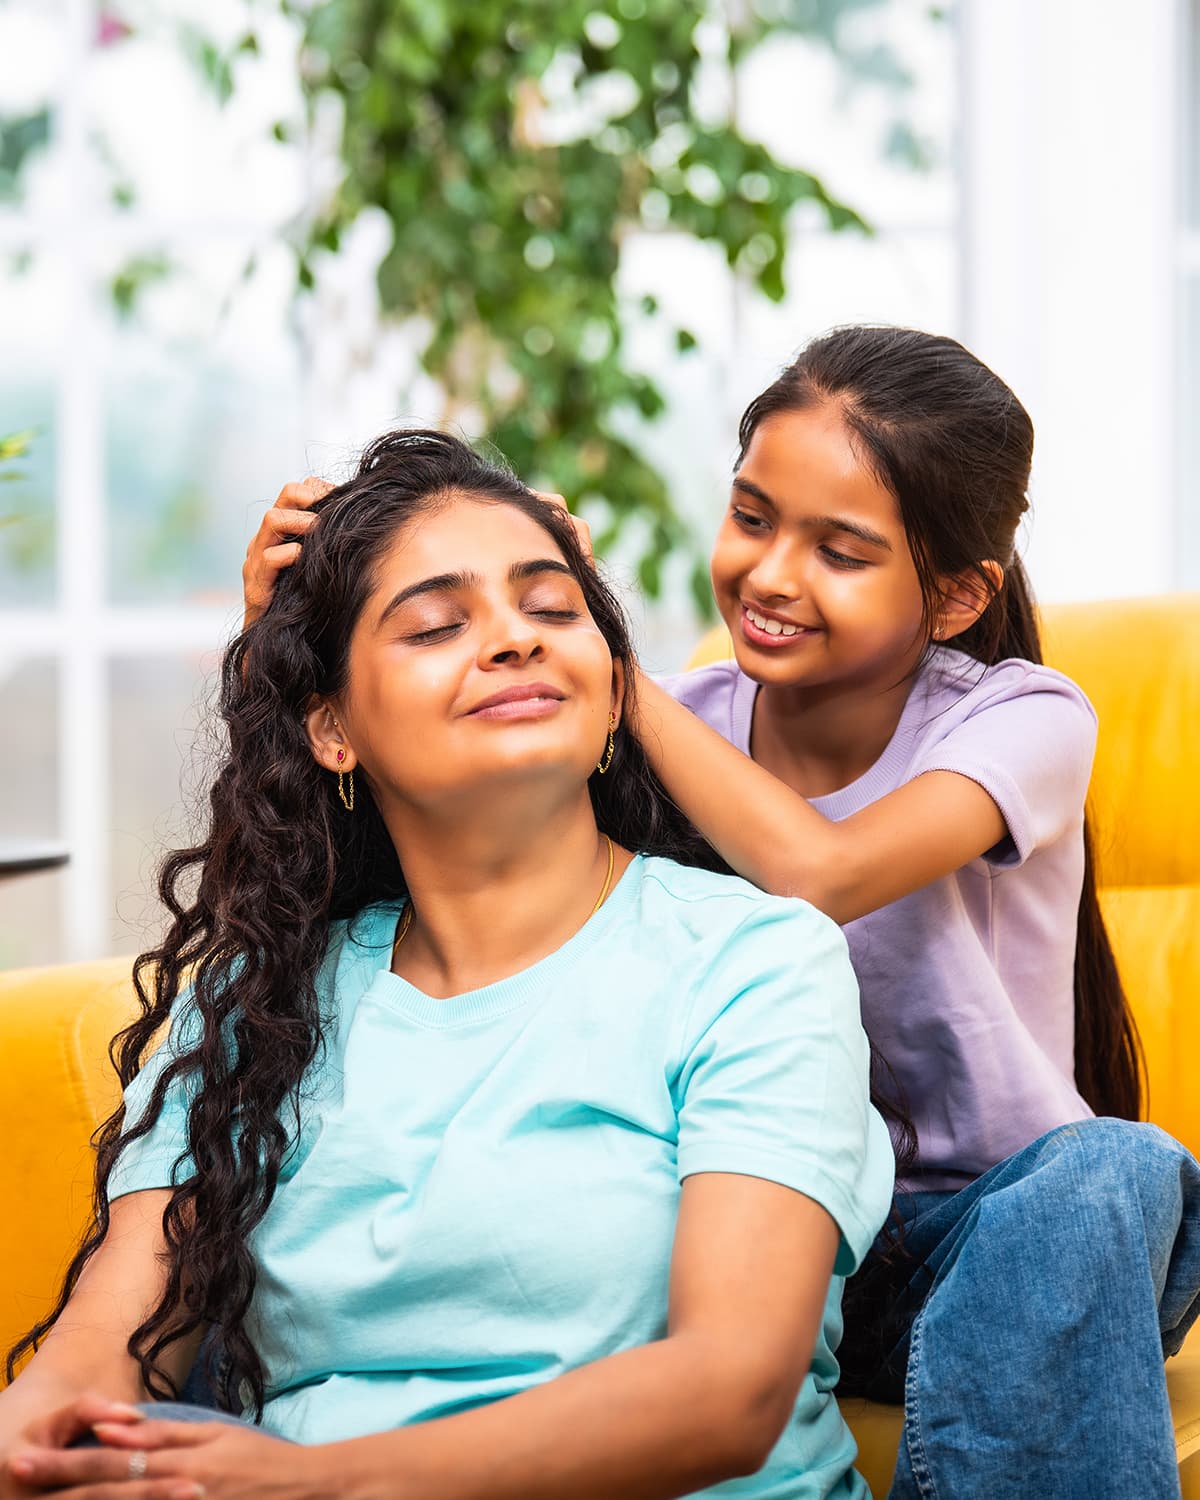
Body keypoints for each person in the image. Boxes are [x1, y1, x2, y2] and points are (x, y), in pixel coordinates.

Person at [239, 326, 1200, 1499]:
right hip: (757, 1223)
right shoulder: (684, 716)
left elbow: (825, 872)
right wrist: (285, 644)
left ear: (954, 595)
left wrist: (587, 641)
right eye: (752, 518)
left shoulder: (1024, 718)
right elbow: (434, 850)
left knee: (1111, 1170)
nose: (774, 575)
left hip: (979, 1242)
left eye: (841, 552)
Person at [0, 431, 895, 1500]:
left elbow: (729, 1392)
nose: (515, 641)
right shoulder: (257, 1012)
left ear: (615, 691)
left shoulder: (753, 963)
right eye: (435, 625)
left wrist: (311, 1482)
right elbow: (83, 1372)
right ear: (330, 727)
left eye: (555, 610)